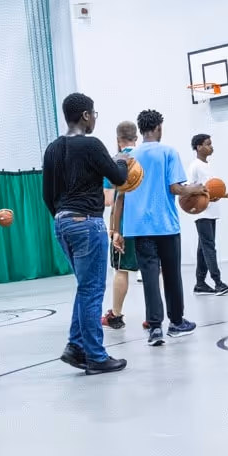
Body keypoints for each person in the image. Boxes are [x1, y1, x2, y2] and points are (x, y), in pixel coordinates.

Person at [41, 93, 127, 375]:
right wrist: (123, 161)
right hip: (87, 223)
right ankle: (96, 356)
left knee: (84, 286)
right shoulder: (91, 145)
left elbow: (47, 195)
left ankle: (75, 346)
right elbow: (118, 178)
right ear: (86, 116)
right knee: (92, 290)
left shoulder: (52, 148)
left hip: (62, 222)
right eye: (94, 114)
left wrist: (63, 215)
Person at [123, 109, 204, 347]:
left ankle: (155, 328)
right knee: (171, 275)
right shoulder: (168, 152)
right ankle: (177, 323)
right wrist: (196, 189)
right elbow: (176, 189)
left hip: (139, 227)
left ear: (140, 129)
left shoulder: (130, 156)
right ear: (158, 127)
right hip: (165, 225)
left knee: (149, 277)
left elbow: (119, 190)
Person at [188, 132, 228, 295]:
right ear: (199, 147)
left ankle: (200, 283)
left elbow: (210, 190)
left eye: (211, 144)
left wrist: (226, 195)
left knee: (203, 248)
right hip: (202, 212)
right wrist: (205, 197)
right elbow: (190, 189)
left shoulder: (207, 166)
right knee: (209, 247)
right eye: (208, 144)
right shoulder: (194, 166)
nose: (211, 146)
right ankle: (218, 282)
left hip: (211, 212)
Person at [103, 120, 140, 330]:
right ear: (136, 137)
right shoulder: (145, 158)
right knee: (156, 269)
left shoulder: (115, 161)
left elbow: (109, 200)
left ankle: (116, 315)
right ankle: (156, 316)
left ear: (118, 140)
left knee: (121, 269)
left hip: (125, 225)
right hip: (150, 225)